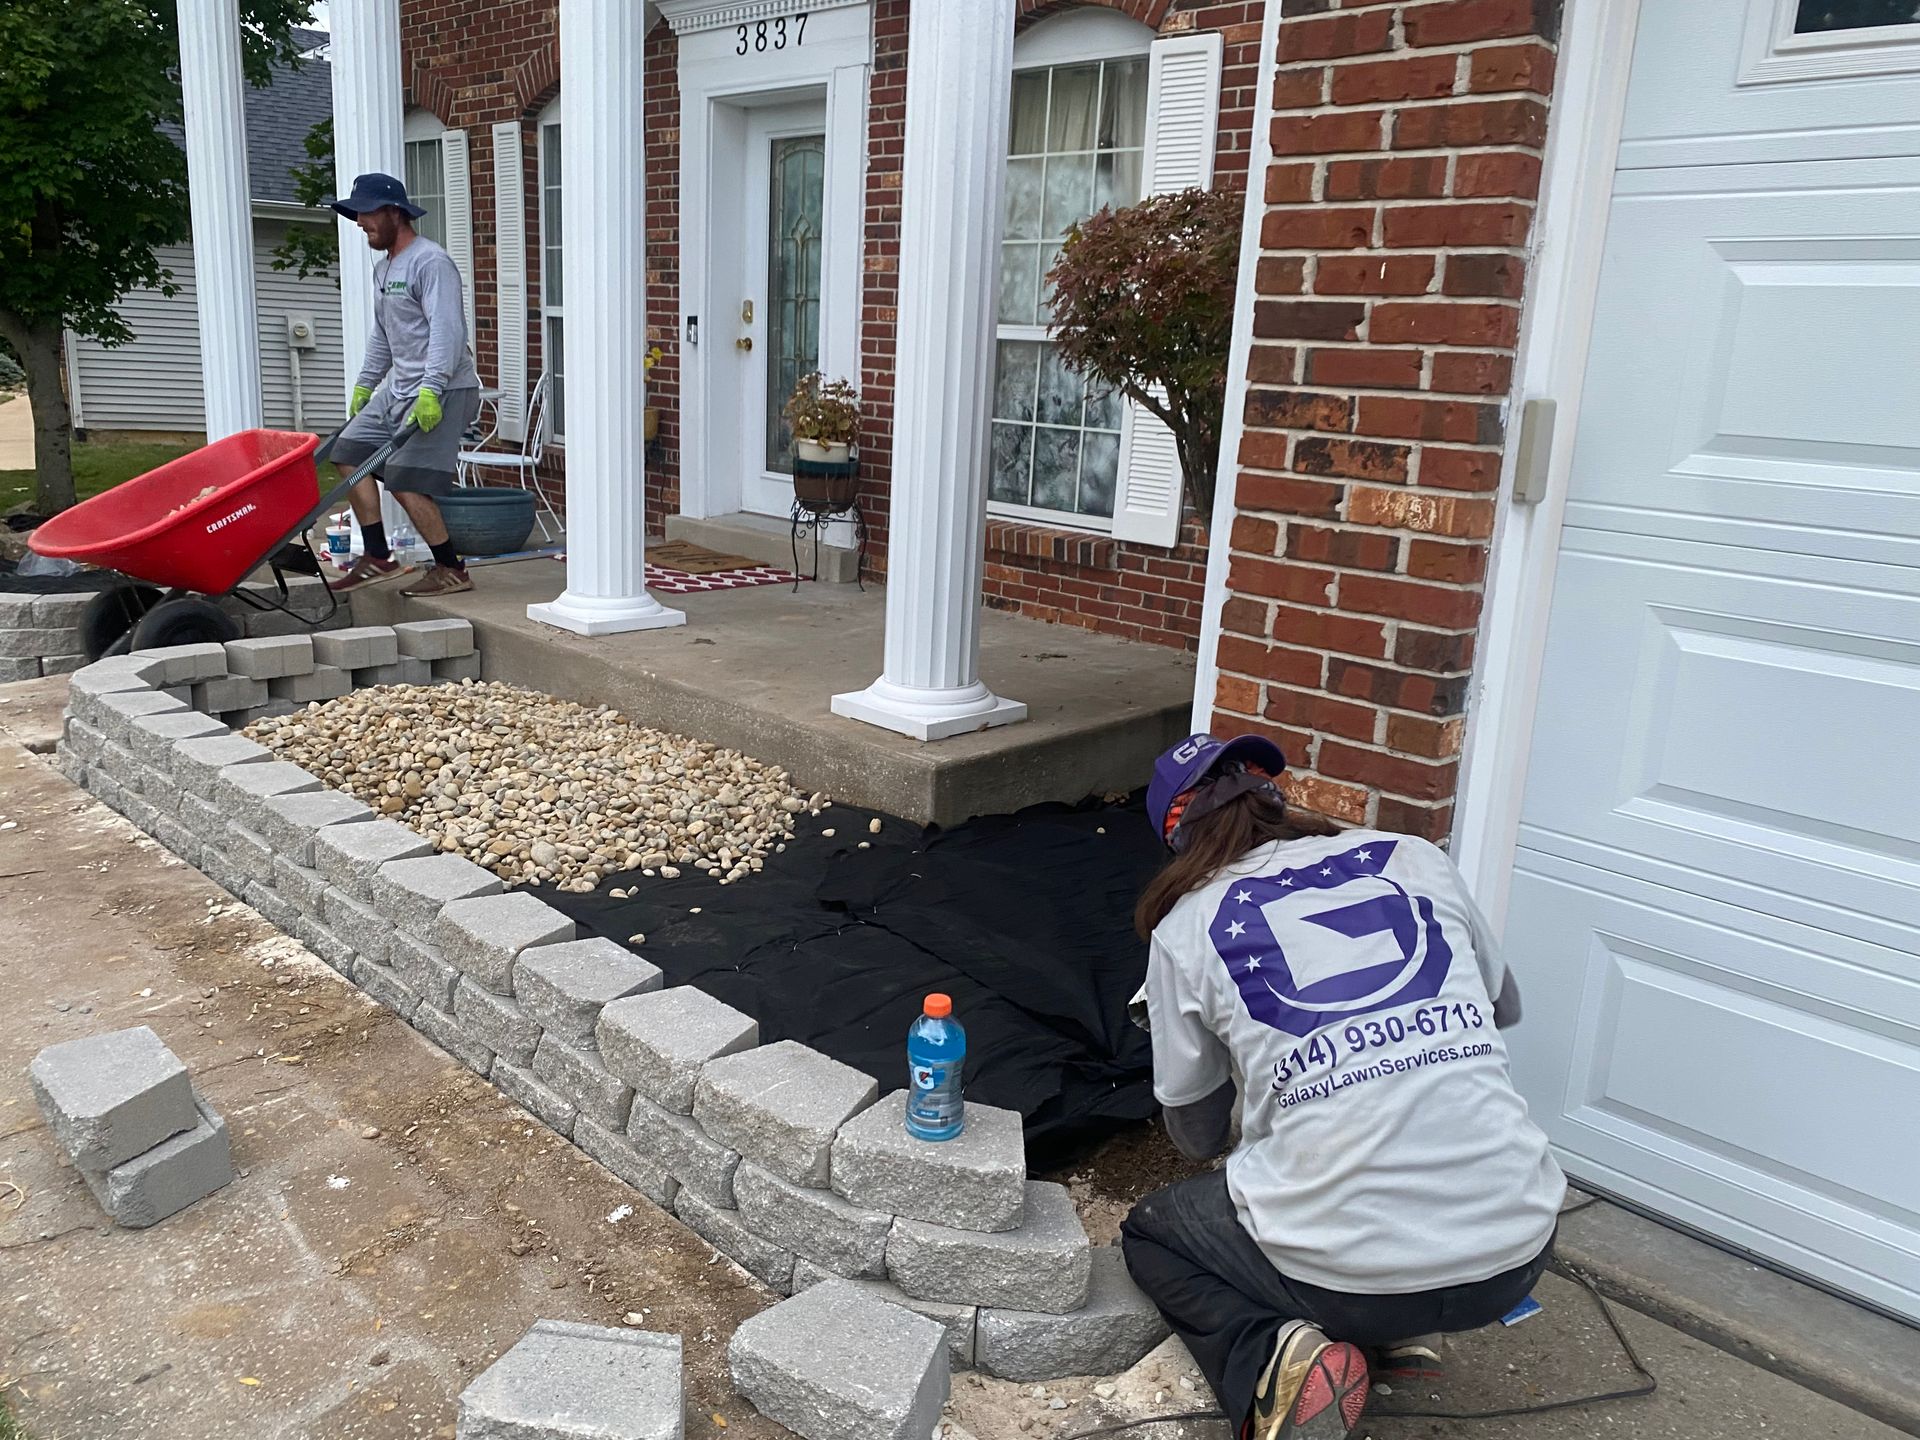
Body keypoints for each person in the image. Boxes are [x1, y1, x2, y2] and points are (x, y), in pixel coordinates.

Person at [1120, 734, 1565, 1440]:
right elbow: (1502, 1008)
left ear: (1177, 840)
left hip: (1352, 1278)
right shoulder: (1414, 860)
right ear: (1275, 796)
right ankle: (1402, 1338)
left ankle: (1276, 1364)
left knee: (1156, 1234)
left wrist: (1278, 1087)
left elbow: (1195, 1134)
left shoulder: (1187, 927)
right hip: (1519, 1249)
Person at [324, 172, 482, 598]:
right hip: (399, 388)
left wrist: (431, 390)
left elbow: (447, 333)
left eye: (367, 212)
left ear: (395, 211)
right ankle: (378, 556)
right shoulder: (385, 267)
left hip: (444, 390)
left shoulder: (432, 263)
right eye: (356, 213)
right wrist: (364, 385)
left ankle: (451, 568)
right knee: (347, 452)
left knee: (406, 480)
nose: (359, 221)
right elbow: (383, 334)